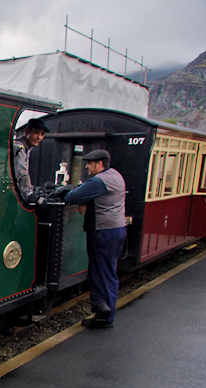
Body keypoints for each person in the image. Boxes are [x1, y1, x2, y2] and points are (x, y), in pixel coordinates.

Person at [60, 149, 127, 329]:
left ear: (99, 164)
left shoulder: (100, 180)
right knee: (106, 271)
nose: (87, 167)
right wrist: (88, 200)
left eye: (90, 163)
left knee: (102, 272)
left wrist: (82, 197)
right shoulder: (116, 176)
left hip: (104, 231)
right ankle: (102, 309)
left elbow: (72, 196)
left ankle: (105, 315)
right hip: (116, 229)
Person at [12, 117, 49, 203]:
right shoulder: (18, 147)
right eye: (36, 132)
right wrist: (29, 194)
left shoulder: (27, 149)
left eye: (42, 134)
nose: (39, 137)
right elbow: (21, 172)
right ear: (27, 130)